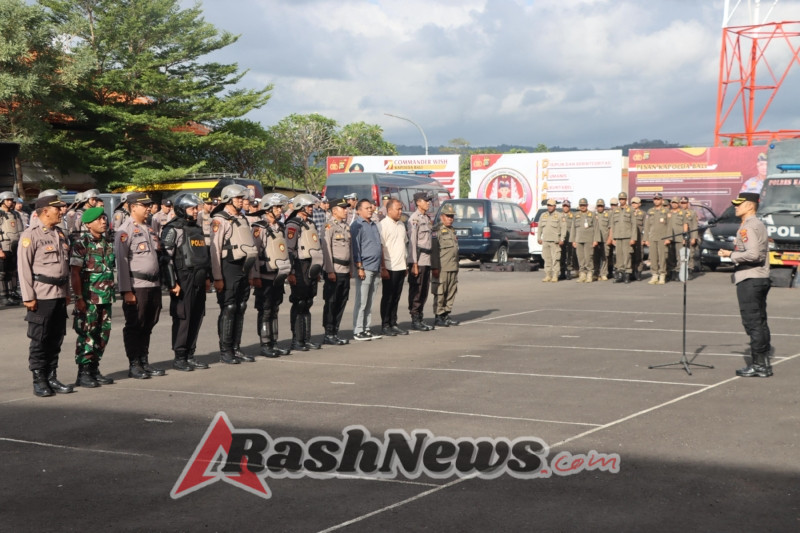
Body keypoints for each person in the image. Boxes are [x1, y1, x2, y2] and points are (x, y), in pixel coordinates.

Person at [18, 194, 74, 397]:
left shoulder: (59, 233)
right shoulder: (30, 235)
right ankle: (39, 379)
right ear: (45, 211)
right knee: (40, 339)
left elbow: (64, 267)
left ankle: (51, 376)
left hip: (59, 293)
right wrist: (28, 296)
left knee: (56, 338)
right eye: (57, 208)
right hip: (41, 294)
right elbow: (23, 268)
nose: (61, 211)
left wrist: (67, 292)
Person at [718, 192, 773, 377]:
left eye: (739, 204)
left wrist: (730, 255)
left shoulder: (748, 227)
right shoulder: (756, 224)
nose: (736, 207)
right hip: (759, 278)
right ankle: (763, 363)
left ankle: (759, 365)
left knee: (753, 323)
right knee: (760, 322)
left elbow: (753, 255)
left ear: (750, 206)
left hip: (750, 279)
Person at [115, 192, 166, 379]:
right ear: (133, 207)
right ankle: (134, 363)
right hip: (137, 285)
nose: (148, 208)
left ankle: (144, 360)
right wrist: (126, 290)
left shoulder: (149, 228)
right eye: (144, 205)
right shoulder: (125, 230)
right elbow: (121, 262)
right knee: (135, 324)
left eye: (148, 205)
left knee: (149, 323)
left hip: (153, 283)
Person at [161, 193, 212, 371]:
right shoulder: (172, 229)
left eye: (196, 208)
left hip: (199, 277)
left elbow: (204, 256)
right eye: (192, 208)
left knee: (197, 315)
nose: (196, 211)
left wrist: (207, 278)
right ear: (182, 210)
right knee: (183, 317)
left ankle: (190, 354)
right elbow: (165, 259)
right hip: (183, 279)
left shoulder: (197, 228)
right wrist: (172, 283)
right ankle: (180, 356)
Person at [210, 184, 258, 364]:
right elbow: (215, 250)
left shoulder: (242, 218)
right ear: (228, 199)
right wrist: (217, 277)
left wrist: (251, 274)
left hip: (243, 268)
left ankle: (236, 348)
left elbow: (249, 247)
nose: (241, 201)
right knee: (229, 308)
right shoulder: (220, 220)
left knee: (241, 306)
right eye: (238, 198)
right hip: (228, 267)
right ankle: (225, 351)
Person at [69, 206, 115, 388]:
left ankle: (94, 369)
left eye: (104, 218)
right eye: (99, 219)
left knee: (103, 334)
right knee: (87, 334)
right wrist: (79, 298)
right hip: (89, 298)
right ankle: (83, 373)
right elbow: (75, 272)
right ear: (88, 224)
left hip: (106, 297)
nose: (103, 221)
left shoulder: (107, 242)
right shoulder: (82, 243)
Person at [250, 193, 292, 356]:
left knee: (275, 309)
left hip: (278, 275)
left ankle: (274, 342)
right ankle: (265, 344)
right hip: (265, 276)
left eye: (280, 207)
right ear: (268, 209)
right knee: (265, 310)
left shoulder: (280, 227)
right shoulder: (259, 228)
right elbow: (254, 253)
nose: (280, 210)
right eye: (277, 207)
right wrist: (255, 275)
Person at [286, 193, 324, 351]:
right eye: (308, 206)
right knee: (299, 302)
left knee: (308, 302)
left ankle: (306, 339)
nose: (311, 208)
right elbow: (289, 249)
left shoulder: (311, 223)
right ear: (300, 207)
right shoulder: (293, 225)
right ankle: (297, 340)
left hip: (311, 265)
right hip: (299, 266)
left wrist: (318, 269)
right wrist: (290, 272)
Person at [320, 198, 352, 345]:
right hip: (334, 270)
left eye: (346, 208)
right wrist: (329, 270)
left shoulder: (346, 226)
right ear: (334, 211)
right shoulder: (329, 226)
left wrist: (351, 268)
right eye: (343, 208)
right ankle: (328, 332)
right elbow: (326, 250)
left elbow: (350, 249)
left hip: (345, 269)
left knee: (342, 301)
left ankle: (335, 331)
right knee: (331, 302)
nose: (346, 210)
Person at [351, 199, 383, 341]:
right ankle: (358, 330)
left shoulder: (374, 224)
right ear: (358, 211)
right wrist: (360, 267)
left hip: (375, 266)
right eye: (366, 208)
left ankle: (366, 327)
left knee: (370, 301)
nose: (370, 210)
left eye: (371, 207)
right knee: (362, 301)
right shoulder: (357, 225)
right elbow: (356, 248)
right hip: (365, 267)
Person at [379, 198, 408, 336]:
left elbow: (404, 245)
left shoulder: (401, 224)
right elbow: (380, 248)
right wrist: (383, 268)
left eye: (401, 209)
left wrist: (406, 265)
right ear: (389, 210)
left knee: (396, 297)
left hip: (401, 266)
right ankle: (385, 324)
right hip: (389, 266)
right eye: (398, 209)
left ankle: (393, 322)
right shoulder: (383, 225)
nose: (400, 211)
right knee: (388, 297)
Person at [407, 192, 435, 330]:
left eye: (429, 200)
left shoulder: (426, 218)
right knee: (417, 291)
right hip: (419, 259)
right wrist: (414, 264)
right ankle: (415, 318)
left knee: (424, 290)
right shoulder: (414, 219)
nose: (428, 203)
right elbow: (412, 243)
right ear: (418, 202)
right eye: (425, 200)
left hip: (427, 259)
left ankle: (420, 316)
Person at [431, 203, 460, 327]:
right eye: (448, 216)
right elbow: (434, 251)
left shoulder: (452, 230)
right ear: (442, 216)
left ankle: (446, 314)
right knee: (440, 292)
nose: (450, 219)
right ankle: (438, 316)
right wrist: (435, 267)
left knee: (451, 291)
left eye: (452, 216)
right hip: (442, 267)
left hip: (453, 266)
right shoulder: (436, 230)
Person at [0, 191, 24, 305]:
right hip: (3, 246)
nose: (10, 202)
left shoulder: (15, 214)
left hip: (15, 246)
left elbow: (21, 230)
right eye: (8, 200)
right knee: (2, 273)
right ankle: (3, 296)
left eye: (11, 200)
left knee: (12, 272)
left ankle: (11, 294)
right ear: (2, 201)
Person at [608, 192, 635, 283]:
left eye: (623, 199)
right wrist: (612, 238)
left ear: (626, 199)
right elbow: (612, 225)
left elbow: (634, 225)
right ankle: (620, 274)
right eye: (620, 199)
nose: (621, 200)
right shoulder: (615, 210)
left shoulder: (631, 209)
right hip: (618, 237)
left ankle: (627, 274)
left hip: (627, 236)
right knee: (619, 256)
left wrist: (633, 238)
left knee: (627, 255)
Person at [644, 193, 670, 285]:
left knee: (662, 257)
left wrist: (668, 238)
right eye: (655, 199)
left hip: (662, 237)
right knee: (653, 257)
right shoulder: (650, 211)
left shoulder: (666, 211)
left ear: (662, 200)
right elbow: (646, 226)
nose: (656, 201)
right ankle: (654, 275)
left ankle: (662, 275)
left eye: (658, 199)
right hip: (652, 237)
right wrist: (646, 238)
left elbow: (669, 226)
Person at [537, 199, 565, 283]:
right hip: (545, 241)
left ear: (555, 206)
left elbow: (563, 228)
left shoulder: (559, 216)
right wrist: (539, 238)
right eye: (548, 205)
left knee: (555, 259)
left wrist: (562, 239)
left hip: (555, 241)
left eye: (551, 206)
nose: (549, 207)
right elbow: (540, 227)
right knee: (546, 259)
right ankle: (548, 275)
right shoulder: (543, 215)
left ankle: (555, 275)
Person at [571, 198, 595, 283]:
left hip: (589, 239)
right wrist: (573, 240)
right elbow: (573, 228)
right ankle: (582, 274)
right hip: (579, 239)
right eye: (581, 205)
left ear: (587, 205)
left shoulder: (592, 214)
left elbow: (596, 228)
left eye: (584, 205)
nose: (582, 207)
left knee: (588, 258)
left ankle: (589, 273)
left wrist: (595, 240)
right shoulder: (576, 215)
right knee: (580, 258)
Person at [665, 197, 688, 282]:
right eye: (673, 203)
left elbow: (685, 225)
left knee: (679, 256)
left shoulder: (683, 213)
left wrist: (685, 237)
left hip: (679, 237)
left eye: (676, 203)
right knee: (670, 256)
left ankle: (678, 272)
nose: (674, 204)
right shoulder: (667, 212)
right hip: (669, 237)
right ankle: (671, 272)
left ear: (679, 204)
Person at [593, 199, 612, 281]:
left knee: (605, 257)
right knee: (595, 257)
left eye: (601, 206)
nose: (600, 208)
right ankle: (596, 273)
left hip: (605, 239)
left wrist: (610, 238)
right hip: (595, 240)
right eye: (598, 206)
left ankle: (604, 273)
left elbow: (610, 227)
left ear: (604, 206)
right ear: (596, 207)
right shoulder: (593, 215)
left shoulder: (607, 215)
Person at [680, 196, 699, 276]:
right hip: (679, 236)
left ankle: (690, 269)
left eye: (684, 203)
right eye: (682, 203)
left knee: (690, 254)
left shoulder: (692, 213)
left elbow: (694, 226)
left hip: (690, 235)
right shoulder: (677, 212)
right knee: (680, 254)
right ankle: (680, 270)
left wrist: (694, 237)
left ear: (688, 203)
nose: (683, 204)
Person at [559, 200, 576, 280]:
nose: (565, 208)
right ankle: (562, 272)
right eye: (564, 206)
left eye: (567, 206)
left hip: (570, 238)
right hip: (561, 239)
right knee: (561, 256)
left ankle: (569, 272)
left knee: (570, 256)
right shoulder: (559, 216)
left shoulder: (573, 216)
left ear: (569, 207)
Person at [630, 197, 646, 281]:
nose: (634, 204)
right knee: (630, 254)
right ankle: (631, 272)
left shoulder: (643, 213)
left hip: (640, 237)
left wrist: (644, 238)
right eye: (633, 203)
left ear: (639, 204)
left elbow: (645, 227)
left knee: (639, 255)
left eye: (635, 203)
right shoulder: (628, 212)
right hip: (630, 237)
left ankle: (638, 272)